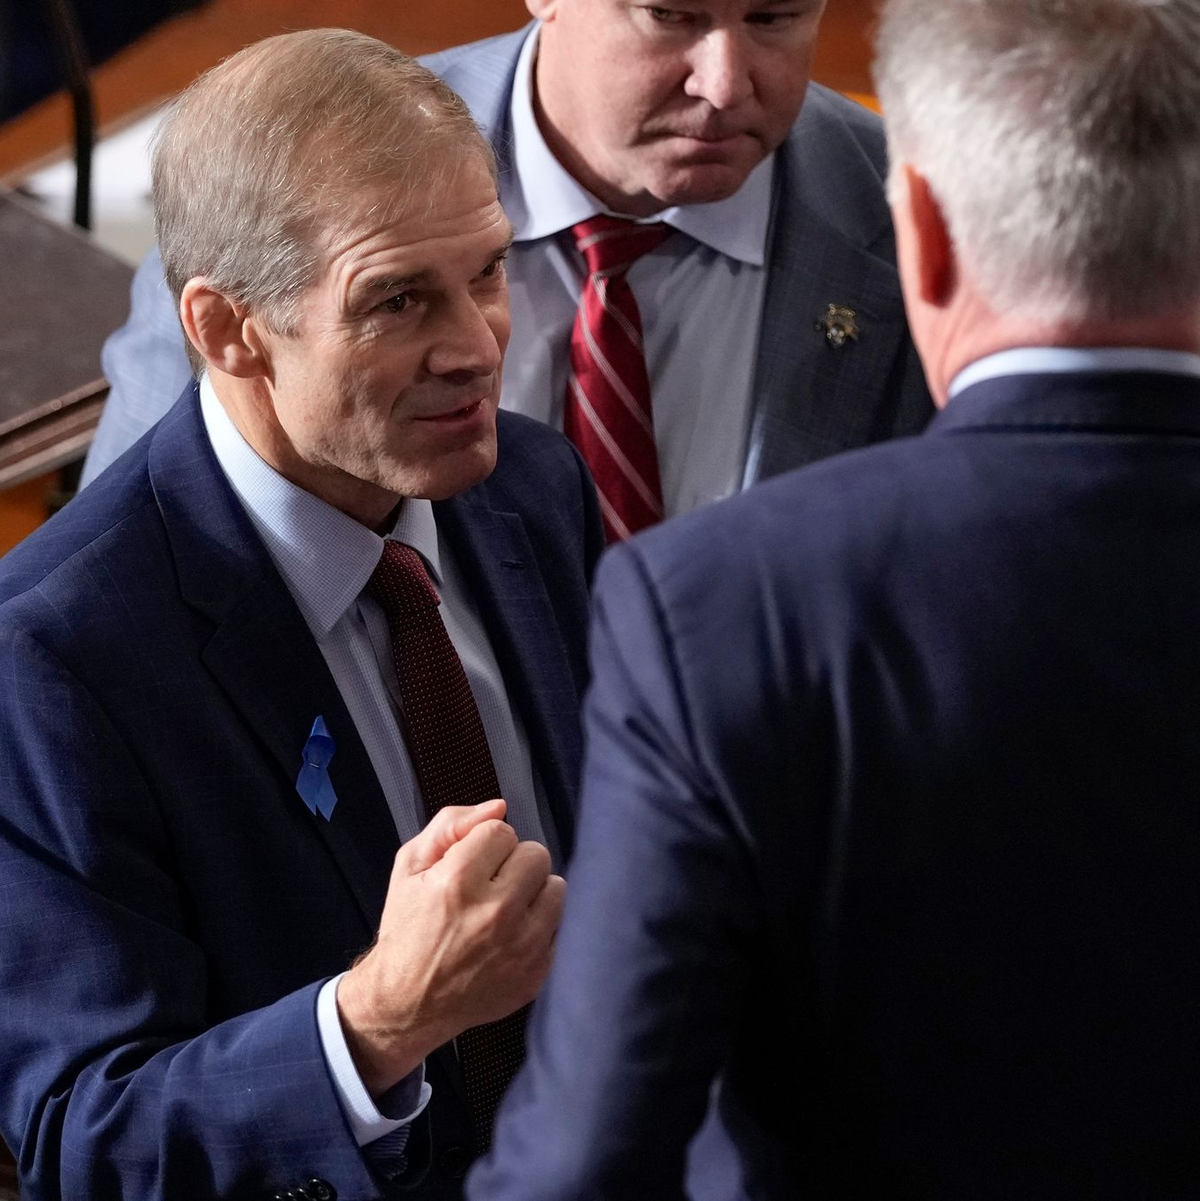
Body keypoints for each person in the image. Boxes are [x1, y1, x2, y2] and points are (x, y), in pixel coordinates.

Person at [469, 0, 1200, 1195]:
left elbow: (587, 1161)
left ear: (921, 231)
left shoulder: (719, 601)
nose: (726, 77)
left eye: (774, 14)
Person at [0, 29, 603, 1201]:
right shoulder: (51, 659)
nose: (478, 348)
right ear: (226, 330)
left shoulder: (531, 486)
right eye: (398, 302)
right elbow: (89, 1142)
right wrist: (378, 1020)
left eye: (486, 272)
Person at [81, 0, 933, 536]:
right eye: (670, 16)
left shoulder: (927, 222)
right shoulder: (287, 187)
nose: (723, 82)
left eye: (775, 18)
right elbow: (129, 574)